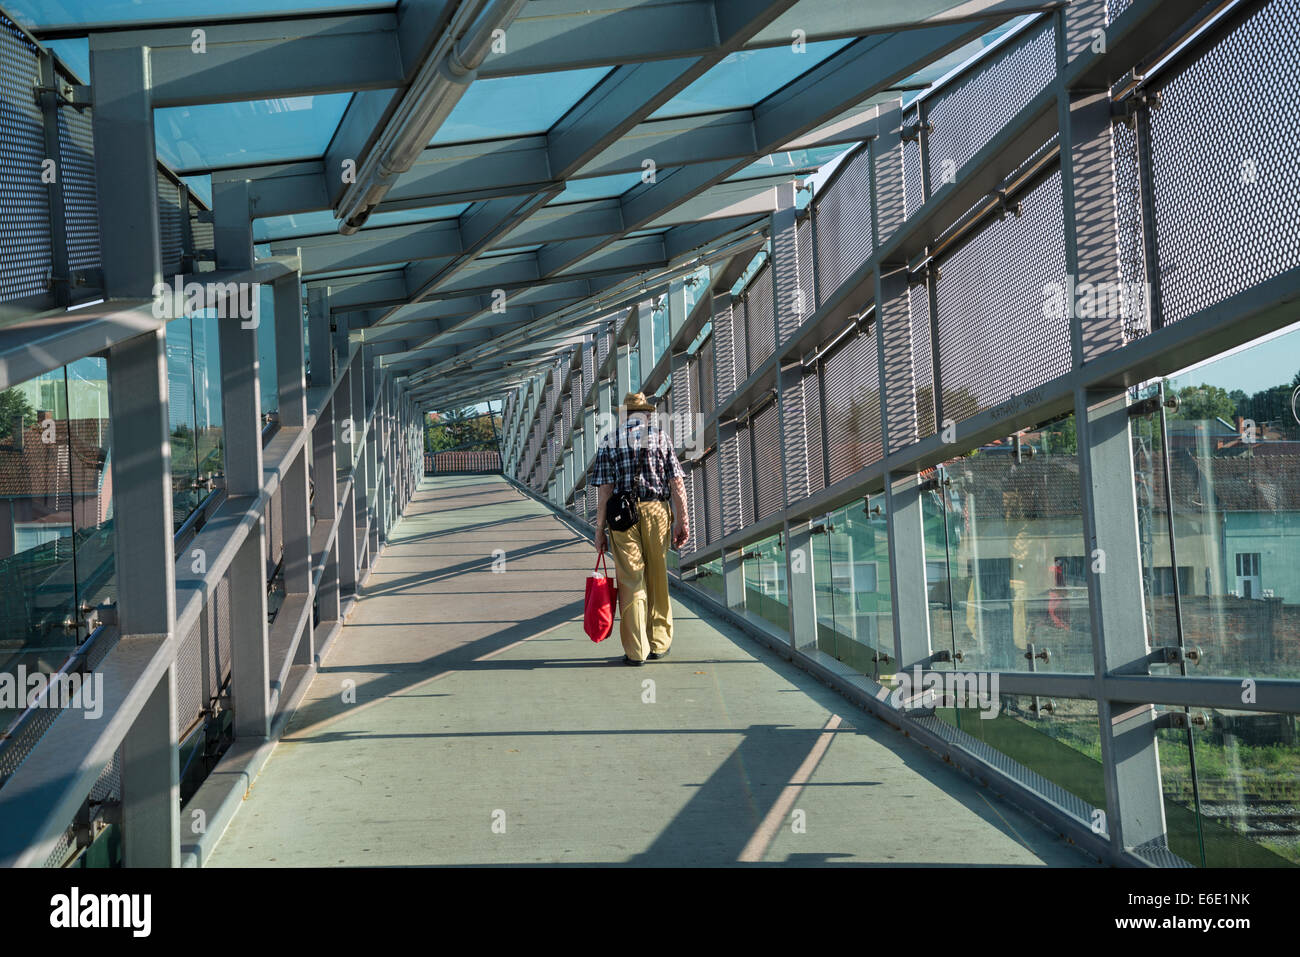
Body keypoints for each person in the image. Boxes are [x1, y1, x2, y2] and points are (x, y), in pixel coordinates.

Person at [591, 392, 690, 665]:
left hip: (623, 517)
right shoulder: (660, 437)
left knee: (631, 580)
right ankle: (659, 642)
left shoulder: (610, 440)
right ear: (646, 414)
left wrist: (599, 530)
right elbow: (677, 484)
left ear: (623, 415)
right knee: (658, 576)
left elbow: (605, 491)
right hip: (657, 511)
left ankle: (637, 650)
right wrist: (683, 521)